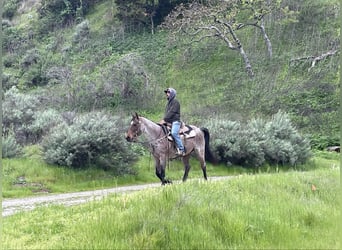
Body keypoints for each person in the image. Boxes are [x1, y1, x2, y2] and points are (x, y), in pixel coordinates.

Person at [159, 87, 186, 156]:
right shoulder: (169, 103)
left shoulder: (175, 102)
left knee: (174, 133)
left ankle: (182, 149)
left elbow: (171, 112)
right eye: (167, 93)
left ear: (172, 94)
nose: (167, 94)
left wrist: (164, 120)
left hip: (175, 121)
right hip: (169, 122)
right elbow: (167, 114)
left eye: (168, 92)